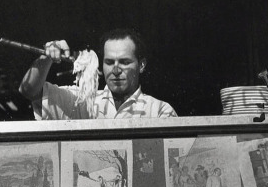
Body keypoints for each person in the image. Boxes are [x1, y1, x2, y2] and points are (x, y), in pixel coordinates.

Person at [19, 28, 177, 120]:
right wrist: (45, 58)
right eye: (109, 62)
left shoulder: (159, 110)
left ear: (141, 65)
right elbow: (30, 91)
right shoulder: (84, 101)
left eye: (124, 62)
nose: (115, 70)